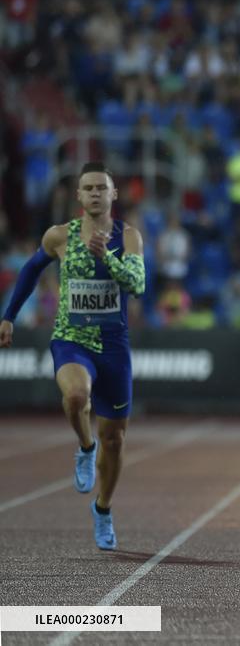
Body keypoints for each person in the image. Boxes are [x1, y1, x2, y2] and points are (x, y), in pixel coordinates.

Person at [0, 162, 146, 550]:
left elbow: (139, 284)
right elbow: (31, 271)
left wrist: (108, 258)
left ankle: (103, 508)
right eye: (89, 188)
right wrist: (9, 316)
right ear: (78, 196)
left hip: (114, 346)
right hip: (71, 339)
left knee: (115, 438)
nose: (96, 193)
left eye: (102, 187)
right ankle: (84, 447)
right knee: (76, 397)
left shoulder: (128, 237)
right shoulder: (59, 236)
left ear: (114, 195)